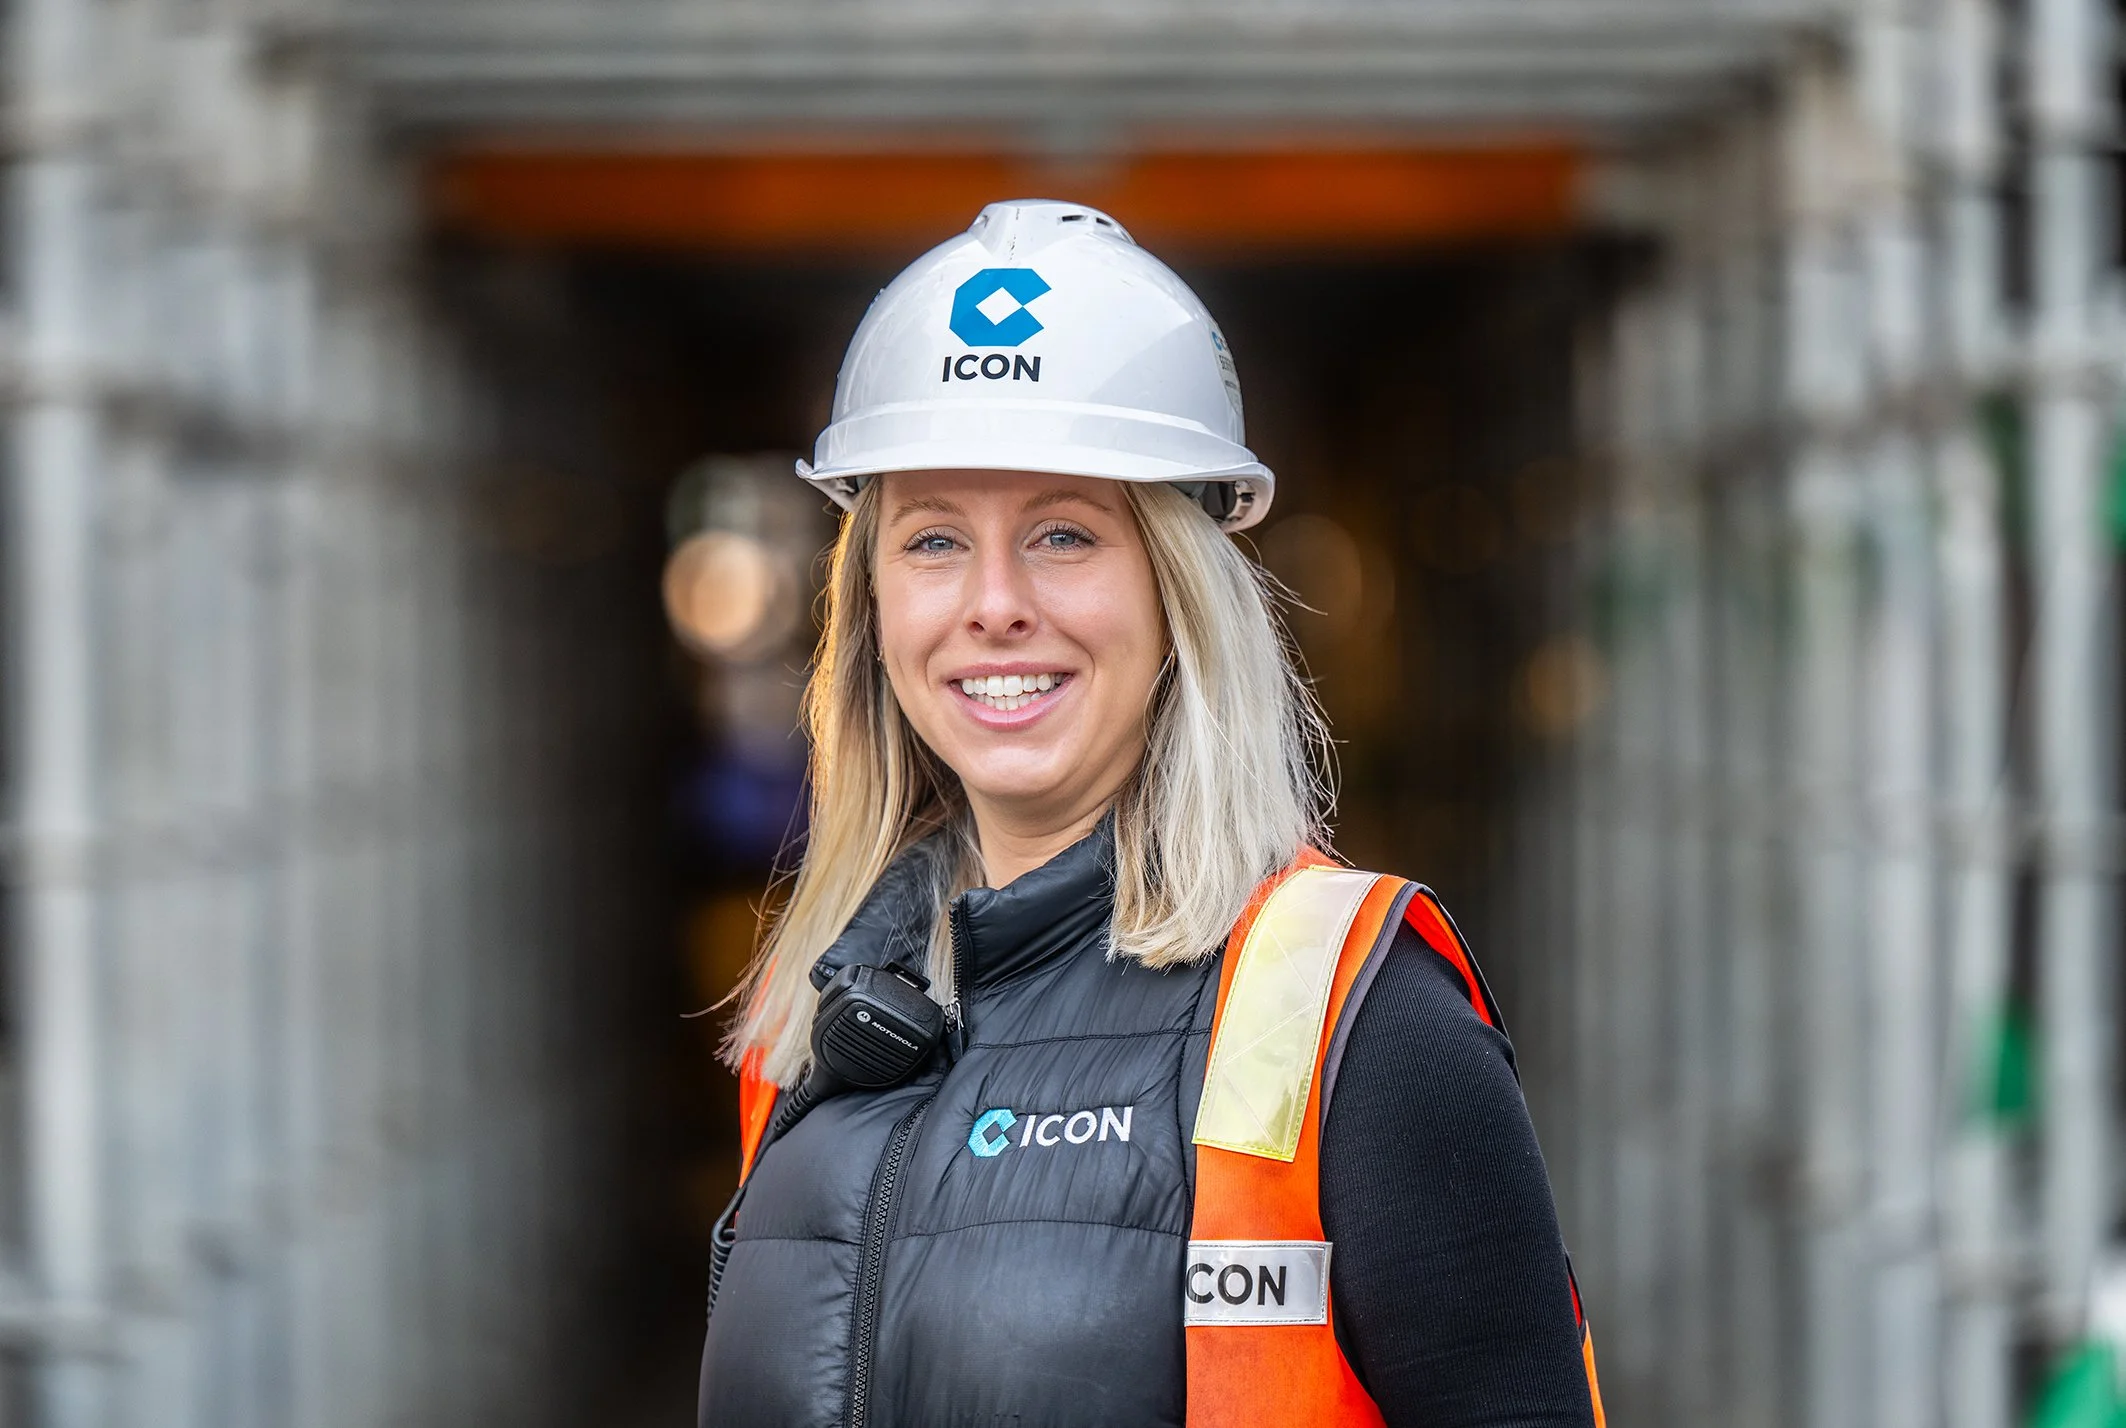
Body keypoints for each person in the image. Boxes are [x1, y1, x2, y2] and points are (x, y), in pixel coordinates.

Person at [697, 199, 1606, 1428]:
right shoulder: (818, 1017)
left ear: (1179, 593)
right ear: (869, 607)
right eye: (932, 541)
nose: (993, 604)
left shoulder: (1356, 1020)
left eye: (1064, 534)